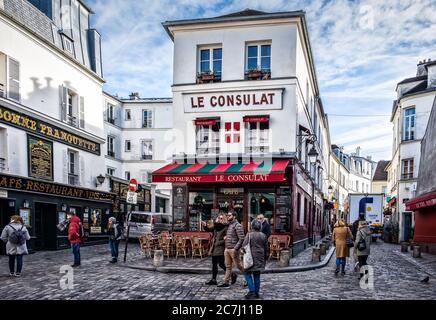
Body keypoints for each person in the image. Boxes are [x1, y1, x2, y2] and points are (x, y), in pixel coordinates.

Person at [217, 210, 245, 288]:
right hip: (227, 249)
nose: (228, 216)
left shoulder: (238, 225)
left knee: (239, 266)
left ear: (234, 216)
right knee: (228, 267)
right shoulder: (230, 225)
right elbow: (222, 223)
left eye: (229, 215)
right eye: (228, 215)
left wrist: (236, 249)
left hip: (234, 249)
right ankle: (226, 282)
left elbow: (242, 238)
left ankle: (248, 277)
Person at [242, 220, 268, 299]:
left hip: (250, 257)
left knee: (247, 274)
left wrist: (243, 254)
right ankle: (256, 293)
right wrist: (265, 258)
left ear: (252, 226)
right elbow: (266, 248)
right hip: (260, 257)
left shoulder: (249, 235)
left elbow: (244, 245)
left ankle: (252, 291)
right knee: (257, 276)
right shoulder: (263, 235)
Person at [204, 214, 230, 285]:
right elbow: (209, 229)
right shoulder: (216, 227)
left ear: (224, 219)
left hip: (221, 248)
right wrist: (205, 225)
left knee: (221, 264)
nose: (219, 219)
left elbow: (227, 239)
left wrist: (219, 242)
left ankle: (232, 274)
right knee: (214, 264)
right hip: (214, 248)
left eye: (221, 218)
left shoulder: (226, 227)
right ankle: (213, 279)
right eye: (218, 218)